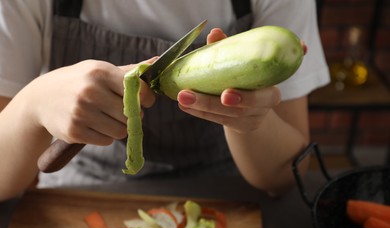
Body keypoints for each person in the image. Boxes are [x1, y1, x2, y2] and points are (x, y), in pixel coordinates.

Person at [0, 0, 330, 201]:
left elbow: (285, 179)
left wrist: (250, 119)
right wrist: (33, 104)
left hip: (227, 193)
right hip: (79, 189)